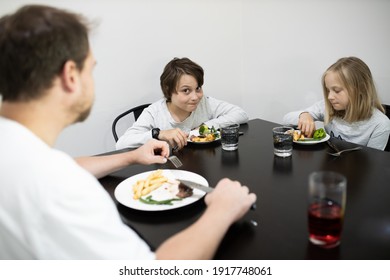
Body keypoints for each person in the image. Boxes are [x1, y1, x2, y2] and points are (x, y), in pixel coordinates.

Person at [0, 5, 256, 259]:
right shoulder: (62, 192)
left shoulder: (18, 153)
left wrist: (130, 157)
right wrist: (221, 211)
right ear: (71, 76)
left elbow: (64, 167)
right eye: (91, 68)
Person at [116, 57, 249, 150]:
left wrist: (206, 127)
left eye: (198, 88)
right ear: (169, 91)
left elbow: (241, 114)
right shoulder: (154, 113)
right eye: (186, 91)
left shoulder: (203, 103)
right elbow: (121, 144)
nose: (195, 97)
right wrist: (158, 134)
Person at [283, 57, 390, 151]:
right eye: (328, 90)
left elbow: (374, 162)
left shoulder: (380, 124)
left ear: (361, 88)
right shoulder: (327, 107)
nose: (330, 97)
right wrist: (304, 115)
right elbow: (286, 119)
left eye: (337, 91)